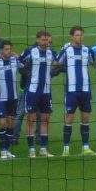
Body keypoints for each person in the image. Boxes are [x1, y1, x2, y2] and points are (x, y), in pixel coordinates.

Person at [55, 26, 95, 156]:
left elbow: (94, 63)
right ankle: (66, 148)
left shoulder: (87, 50)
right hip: (71, 91)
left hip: (85, 90)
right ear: (72, 36)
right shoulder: (67, 51)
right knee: (70, 118)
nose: (80, 37)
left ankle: (86, 147)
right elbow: (56, 63)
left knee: (85, 117)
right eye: (77, 35)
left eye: (81, 35)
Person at [20, 29, 57, 158]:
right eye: (43, 40)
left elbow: (58, 63)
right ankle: (31, 149)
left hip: (46, 92)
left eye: (48, 40)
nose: (46, 42)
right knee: (31, 119)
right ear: (38, 40)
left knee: (46, 119)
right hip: (32, 91)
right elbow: (18, 61)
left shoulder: (52, 53)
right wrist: (26, 72)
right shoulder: (30, 51)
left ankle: (43, 149)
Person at [0, 40, 22, 159]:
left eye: (9, 49)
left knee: (11, 124)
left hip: (13, 98)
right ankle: (3, 150)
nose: (8, 51)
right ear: (1, 50)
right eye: (6, 49)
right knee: (2, 123)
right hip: (0, 98)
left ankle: (7, 150)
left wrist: (18, 56)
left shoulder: (15, 60)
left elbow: (26, 66)